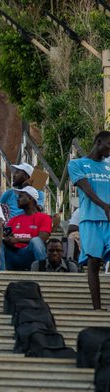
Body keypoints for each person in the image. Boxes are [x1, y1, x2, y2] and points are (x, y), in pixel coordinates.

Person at [68, 130, 110, 310]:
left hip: (109, 220)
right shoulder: (77, 164)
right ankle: (97, 308)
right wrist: (104, 205)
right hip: (90, 219)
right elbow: (85, 188)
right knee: (94, 261)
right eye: (109, 145)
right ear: (98, 141)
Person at [0, 187, 51, 271]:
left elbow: (42, 238)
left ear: (30, 198)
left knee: (36, 241)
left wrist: (18, 240)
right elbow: (6, 236)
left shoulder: (44, 218)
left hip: (30, 255)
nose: (17, 199)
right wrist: (8, 240)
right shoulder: (14, 219)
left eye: (20, 196)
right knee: (0, 242)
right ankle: (0, 275)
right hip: (13, 255)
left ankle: (43, 272)